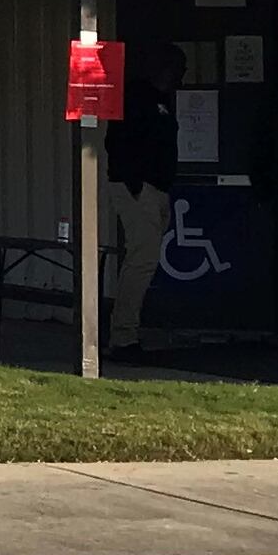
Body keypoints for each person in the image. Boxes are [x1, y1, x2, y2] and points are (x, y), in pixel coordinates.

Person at [101, 40, 183, 355]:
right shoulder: (137, 98)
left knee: (142, 259)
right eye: (179, 69)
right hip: (139, 188)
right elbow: (117, 143)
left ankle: (125, 331)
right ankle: (123, 335)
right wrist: (136, 183)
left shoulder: (161, 100)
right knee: (142, 259)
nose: (183, 76)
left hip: (154, 187)